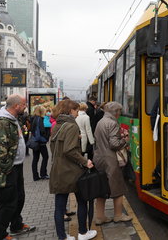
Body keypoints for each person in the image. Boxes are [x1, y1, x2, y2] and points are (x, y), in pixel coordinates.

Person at [0, 94, 36, 240]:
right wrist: (5, 168)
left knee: (18, 197)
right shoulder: (2, 122)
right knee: (6, 202)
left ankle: (16, 225)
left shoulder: (13, 119)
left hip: (16, 166)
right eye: (23, 104)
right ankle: (0, 234)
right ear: (16, 106)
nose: (25, 107)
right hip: (7, 169)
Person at [49, 99, 97, 240]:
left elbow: (56, 148)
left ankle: (62, 236)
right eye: (76, 110)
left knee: (59, 206)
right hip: (72, 171)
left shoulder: (57, 125)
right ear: (70, 111)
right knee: (82, 201)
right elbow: (70, 150)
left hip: (58, 170)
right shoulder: (71, 126)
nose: (77, 113)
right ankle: (83, 233)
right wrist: (85, 161)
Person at [94, 102, 132, 225]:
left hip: (99, 158)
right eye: (119, 111)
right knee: (118, 188)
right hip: (110, 160)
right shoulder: (113, 123)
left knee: (101, 189)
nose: (120, 114)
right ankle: (118, 215)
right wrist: (125, 140)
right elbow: (114, 144)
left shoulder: (101, 122)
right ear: (115, 112)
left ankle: (100, 217)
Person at [30, 105, 50, 181]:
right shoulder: (40, 119)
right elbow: (42, 130)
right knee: (45, 157)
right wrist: (45, 138)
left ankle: (35, 176)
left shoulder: (33, 118)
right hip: (40, 142)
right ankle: (43, 174)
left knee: (35, 158)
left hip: (35, 141)